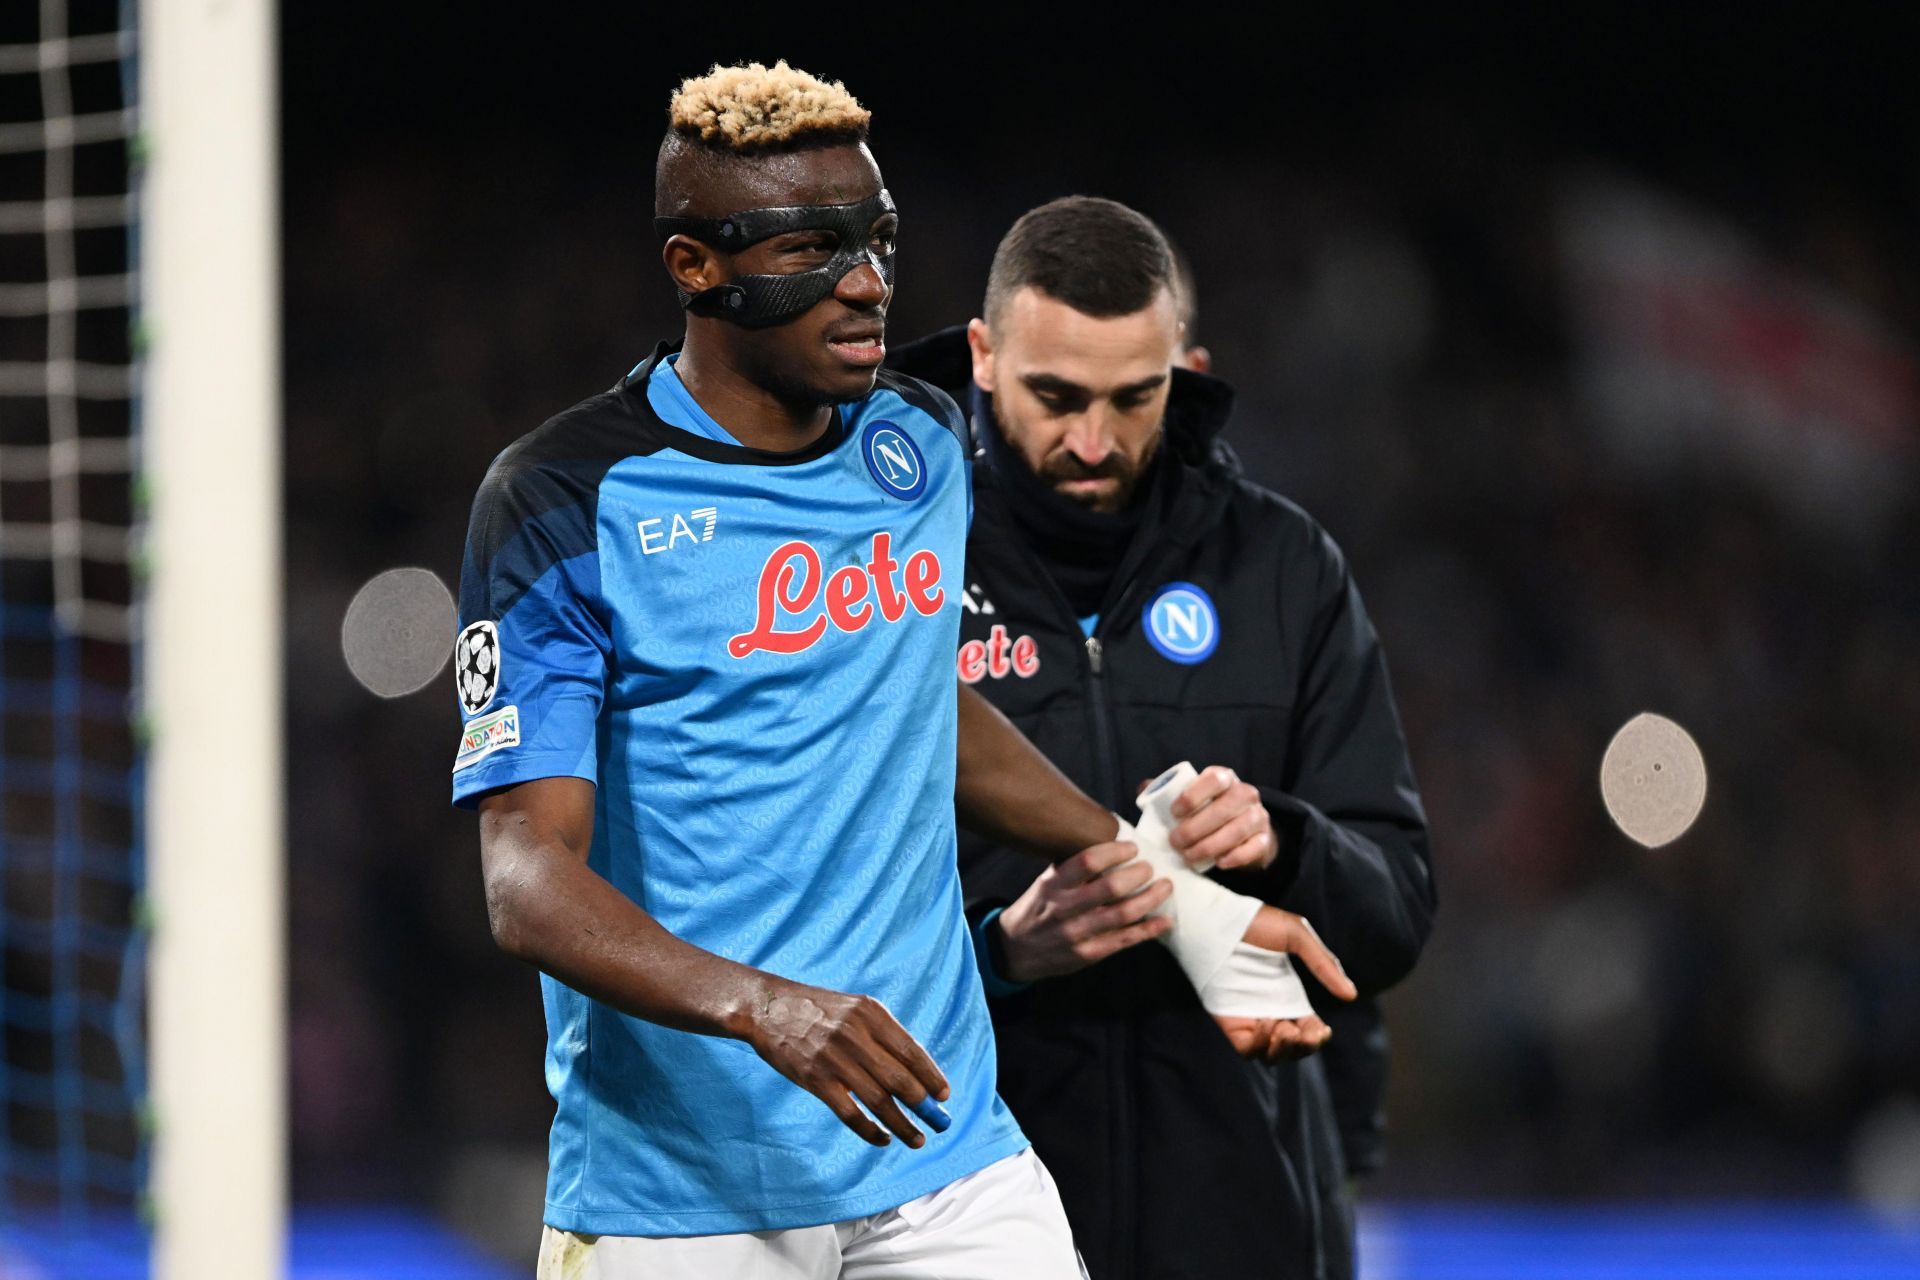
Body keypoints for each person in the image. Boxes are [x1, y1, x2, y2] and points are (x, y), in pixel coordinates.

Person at [450, 66, 1349, 1279]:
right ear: (694, 268)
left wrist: (1159, 881)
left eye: (876, 238)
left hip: (943, 1153)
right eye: (810, 247)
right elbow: (525, 875)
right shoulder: (562, 499)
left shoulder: (916, 443)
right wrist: (767, 1005)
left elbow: (913, 695)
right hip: (685, 1195)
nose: (867, 281)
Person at [889, 196, 1435, 1280]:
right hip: (953, 1224)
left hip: (1240, 1231)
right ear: (985, 357)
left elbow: (1398, 910)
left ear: (1184, 372)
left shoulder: (1282, 568)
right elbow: (793, 923)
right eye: (1057, 396)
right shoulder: (886, 566)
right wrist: (998, 957)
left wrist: (1282, 838)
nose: (1094, 440)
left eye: (1133, 399)